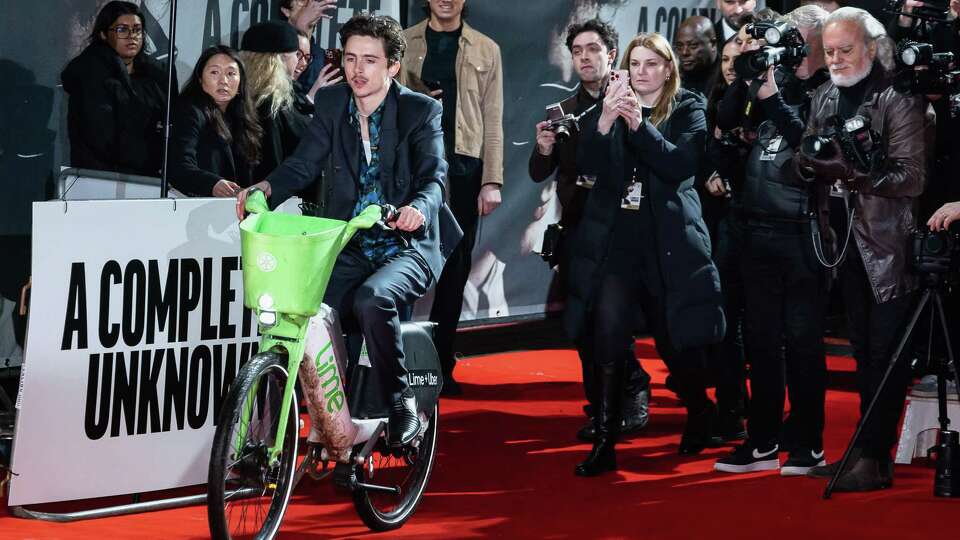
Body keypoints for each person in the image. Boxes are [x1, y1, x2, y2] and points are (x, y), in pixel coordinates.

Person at [235, 13, 457, 446]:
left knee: (373, 299)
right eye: (351, 58)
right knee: (303, 311)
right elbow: (304, 162)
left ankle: (400, 402)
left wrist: (417, 208)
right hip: (350, 239)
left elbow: (434, 177)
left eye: (370, 60)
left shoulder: (420, 109)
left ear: (393, 66)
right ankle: (293, 420)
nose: (357, 69)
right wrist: (266, 185)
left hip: (407, 243)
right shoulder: (334, 102)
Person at [566, 32, 725, 476]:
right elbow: (589, 167)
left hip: (667, 239)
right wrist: (604, 122)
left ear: (668, 68)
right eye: (635, 64)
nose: (642, 72)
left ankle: (699, 410)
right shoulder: (613, 102)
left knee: (675, 340)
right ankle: (605, 440)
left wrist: (639, 124)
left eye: (652, 63)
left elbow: (680, 166)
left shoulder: (689, 107)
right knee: (608, 335)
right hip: (619, 239)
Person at [795, 7, 933, 491]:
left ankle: (874, 458)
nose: (834, 59)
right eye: (828, 51)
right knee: (861, 353)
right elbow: (807, 156)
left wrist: (846, 171)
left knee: (885, 354)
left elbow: (911, 179)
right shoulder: (826, 94)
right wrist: (809, 163)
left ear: (872, 49)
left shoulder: (899, 98)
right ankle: (862, 451)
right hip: (842, 242)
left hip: (888, 248)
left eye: (845, 50)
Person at [711, 5, 833, 476]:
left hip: (803, 233)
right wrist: (749, 78)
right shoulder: (770, 77)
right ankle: (762, 442)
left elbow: (813, 149)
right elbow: (724, 119)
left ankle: (808, 445)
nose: (791, 49)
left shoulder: (828, 91)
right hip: (753, 226)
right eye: (787, 38)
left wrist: (774, 98)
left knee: (802, 341)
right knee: (760, 341)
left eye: (799, 40)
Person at [529, 19, 651, 443]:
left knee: (612, 320)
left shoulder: (635, 102)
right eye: (577, 50)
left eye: (593, 48)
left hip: (622, 229)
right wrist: (543, 148)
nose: (584, 56)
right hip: (577, 230)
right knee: (581, 323)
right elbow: (538, 172)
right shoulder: (563, 111)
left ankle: (629, 392)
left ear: (611, 54)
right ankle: (601, 405)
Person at [400, 0, 504, 395]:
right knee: (400, 264)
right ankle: (396, 365)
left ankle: (441, 365)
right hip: (412, 167)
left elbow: (493, 117)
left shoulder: (485, 48)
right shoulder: (403, 41)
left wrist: (491, 180)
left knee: (454, 270)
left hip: (464, 169)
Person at [61, 0, 173, 176]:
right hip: (101, 180)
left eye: (137, 30)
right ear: (104, 34)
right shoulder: (89, 74)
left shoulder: (156, 76)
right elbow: (101, 137)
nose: (132, 36)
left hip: (149, 180)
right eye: (122, 29)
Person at [169, 46, 262, 197]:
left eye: (231, 73)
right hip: (194, 206)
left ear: (240, 83)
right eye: (214, 72)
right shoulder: (189, 112)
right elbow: (179, 166)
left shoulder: (244, 120)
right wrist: (212, 184)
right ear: (200, 79)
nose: (223, 81)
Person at [239, 21, 311, 181]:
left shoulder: (244, 99)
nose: (299, 62)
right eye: (296, 55)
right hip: (281, 200)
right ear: (281, 59)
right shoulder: (272, 107)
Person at [674, 15, 719, 97]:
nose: (684, 52)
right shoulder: (673, 79)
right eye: (679, 46)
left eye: (693, 45)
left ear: (712, 44)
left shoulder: (728, 76)